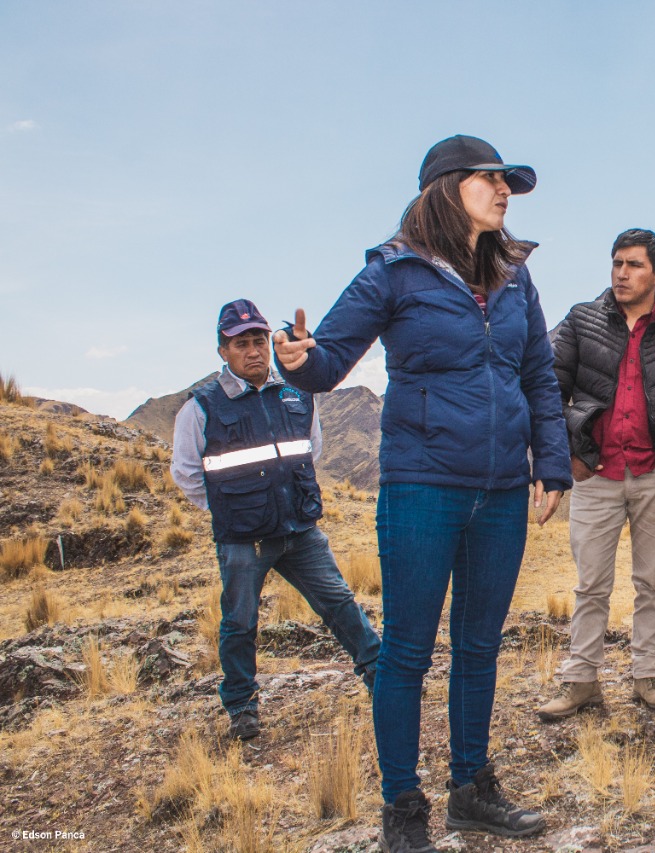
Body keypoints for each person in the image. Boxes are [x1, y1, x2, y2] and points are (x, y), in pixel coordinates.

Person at [272, 135, 572, 853]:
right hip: (422, 486)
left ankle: (472, 791)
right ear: (446, 188)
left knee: (479, 644)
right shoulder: (393, 272)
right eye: (491, 181)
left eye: (509, 185)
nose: (505, 193)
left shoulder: (514, 276)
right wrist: (298, 361)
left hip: (501, 491)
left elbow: (538, 372)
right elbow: (329, 360)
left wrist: (552, 462)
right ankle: (403, 808)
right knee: (407, 649)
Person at [171, 299, 381, 742]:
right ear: (223, 351)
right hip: (242, 541)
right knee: (240, 623)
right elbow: (187, 474)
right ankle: (243, 709)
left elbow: (311, 450)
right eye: (241, 343)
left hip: (300, 532)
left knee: (339, 603)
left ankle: (382, 677)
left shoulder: (296, 395)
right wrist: (233, 509)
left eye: (259, 340)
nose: (253, 350)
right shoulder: (201, 407)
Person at [537, 229, 655, 721]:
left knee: (651, 583)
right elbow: (549, 390)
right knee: (591, 584)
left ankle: (648, 678)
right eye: (617, 263)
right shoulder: (582, 321)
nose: (622, 273)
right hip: (596, 475)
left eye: (634, 265)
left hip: (654, 477)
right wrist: (570, 453)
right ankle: (580, 682)